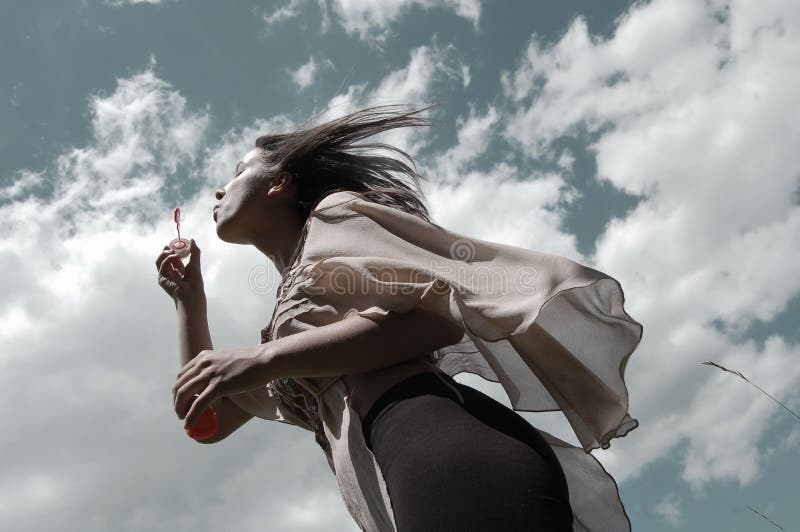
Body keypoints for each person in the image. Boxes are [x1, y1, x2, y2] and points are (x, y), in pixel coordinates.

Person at [156, 105, 644, 532]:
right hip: (406, 475)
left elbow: (438, 318)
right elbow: (209, 418)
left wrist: (266, 358)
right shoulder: (286, 329)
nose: (219, 189)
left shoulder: (335, 218)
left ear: (280, 183)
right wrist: (189, 301)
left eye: (238, 172)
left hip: (442, 447)